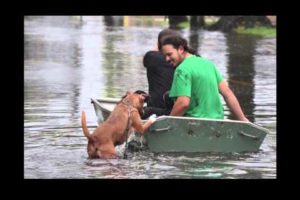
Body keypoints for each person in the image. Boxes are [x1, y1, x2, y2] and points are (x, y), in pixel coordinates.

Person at [160, 34, 249, 121]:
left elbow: (183, 103)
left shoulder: (182, 69)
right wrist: (242, 119)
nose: (167, 59)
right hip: (218, 121)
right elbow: (228, 94)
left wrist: (168, 122)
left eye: (169, 54)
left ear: (181, 49)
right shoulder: (208, 64)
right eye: (165, 56)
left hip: (194, 124)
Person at [141, 28, 180, 119]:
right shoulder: (185, 61)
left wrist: (158, 46)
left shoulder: (151, 57)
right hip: (179, 110)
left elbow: (144, 60)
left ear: (159, 44)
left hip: (155, 111)